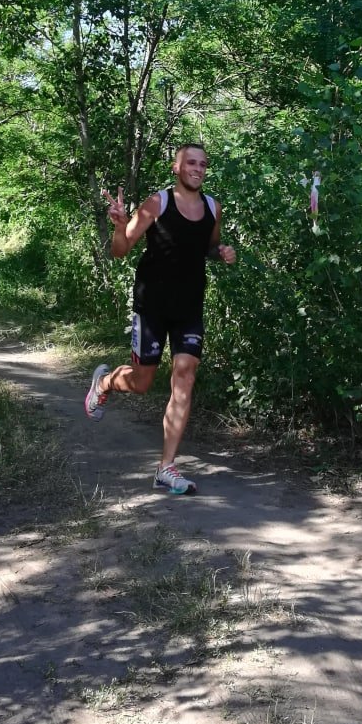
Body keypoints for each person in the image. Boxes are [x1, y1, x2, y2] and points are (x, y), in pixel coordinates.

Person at [84, 143, 236, 495]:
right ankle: (104, 383)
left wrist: (222, 252)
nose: (198, 169)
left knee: (185, 375)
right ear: (176, 168)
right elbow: (120, 250)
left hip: (189, 307)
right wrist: (120, 226)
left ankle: (166, 467)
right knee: (142, 382)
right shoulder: (157, 203)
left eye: (203, 164)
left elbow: (209, 247)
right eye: (191, 163)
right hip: (151, 305)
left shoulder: (213, 207)